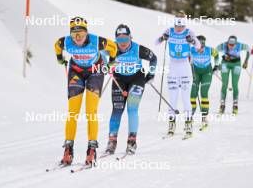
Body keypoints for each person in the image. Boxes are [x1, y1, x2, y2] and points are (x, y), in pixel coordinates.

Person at [54, 17, 117, 166]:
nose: (78, 38)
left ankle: (91, 149)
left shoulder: (97, 41)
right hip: (76, 71)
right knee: (72, 111)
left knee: (90, 111)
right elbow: (57, 45)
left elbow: (113, 47)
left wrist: (111, 63)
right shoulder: (66, 42)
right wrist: (59, 59)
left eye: (81, 34)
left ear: (87, 33)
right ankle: (68, 148)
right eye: (74, 34)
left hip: (95, 70)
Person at [105, 24, 157, 155]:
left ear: (130, 38)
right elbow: (98, 54)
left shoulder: (138, 49)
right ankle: (112, 141)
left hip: (137, 79)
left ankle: (131, 141)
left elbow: (153, 58)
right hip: (119, 80)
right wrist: (104, 65)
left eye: (125, 39)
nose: (122, 43)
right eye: (119, 40)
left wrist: (151, 74)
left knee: (132, 108)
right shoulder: (112, 48)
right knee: (117, 109)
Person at [155, 11, 201, 139]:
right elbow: (156, 42)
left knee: (186, 98)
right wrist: (162, 38)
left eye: (180, 25)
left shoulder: (189, 32)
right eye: (177, 25)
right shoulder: (169, 31)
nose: (178, 28)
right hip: (173, 68)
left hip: (185, 68)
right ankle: (171, 125)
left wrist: (192, 40)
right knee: (172, 98)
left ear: (184, 23)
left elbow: (198, 46)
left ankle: (188, 125)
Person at [190, 35, 219, 130]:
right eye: (199, 47)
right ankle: (191, 114)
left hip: (207, 73)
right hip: (196, 73)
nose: (200, 50)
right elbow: (184, 58)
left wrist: (216, 66)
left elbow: (217, 55)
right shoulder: (191, 50)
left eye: (202, 47)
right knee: (193, 94)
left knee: (204, 93)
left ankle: (204, 116)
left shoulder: (210, 50)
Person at [216, 35, 250, 114]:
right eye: (229, 44)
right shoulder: (223, 45)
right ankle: (222, 105)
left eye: (232, 45)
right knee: (224, 84)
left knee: (235, 84)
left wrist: (246, 61)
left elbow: (248, 49)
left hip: (236, 64)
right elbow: (215, 51)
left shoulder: (240, 45)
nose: (231, 46)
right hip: (225, 64)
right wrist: (217, 64)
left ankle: (235, 105)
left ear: (235, 43)